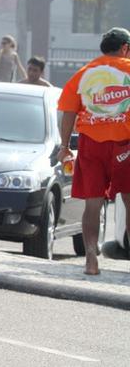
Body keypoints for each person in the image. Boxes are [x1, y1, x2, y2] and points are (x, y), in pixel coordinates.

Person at [57, 27, 130, 275]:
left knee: (93, 204)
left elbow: (68, 112)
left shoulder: (83, 74)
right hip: (125, 146)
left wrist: (64, 146)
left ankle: (90, 258)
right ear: (124, 48)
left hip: (91, 145)